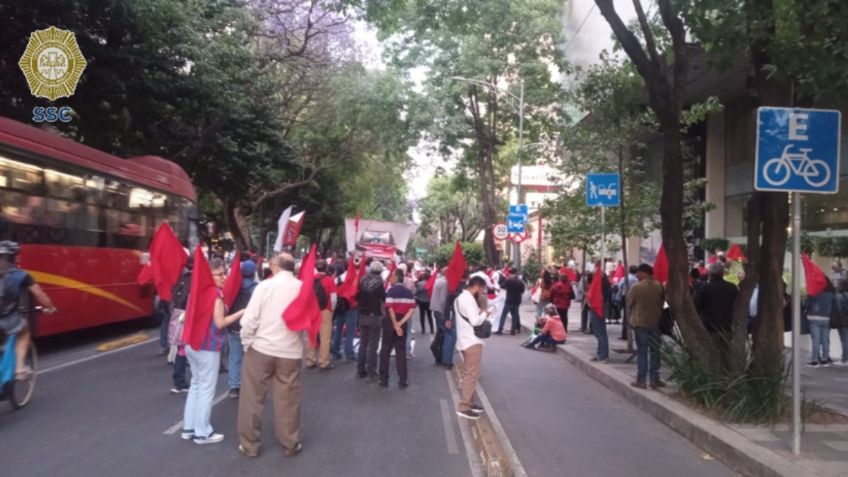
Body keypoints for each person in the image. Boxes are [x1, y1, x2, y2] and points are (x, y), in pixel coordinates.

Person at [237, 253, 304, 457]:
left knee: (252, 398)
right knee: (288, 400)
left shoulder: (265, 287)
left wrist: (246, 341)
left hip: (262, 348)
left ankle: (250, 445)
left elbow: (249, 320)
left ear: (275, 265)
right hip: (291, 351)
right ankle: (290, 443)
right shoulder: (303, 288)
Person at [182, 258, 245, 445]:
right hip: (208, 346)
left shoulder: (197, 291)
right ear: (210, 274)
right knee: (206, 389)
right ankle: (202, 433)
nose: (224, 278)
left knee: (196, 385)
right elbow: (220, 323)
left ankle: (189, 428)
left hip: (192, 344)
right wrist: (241, 312)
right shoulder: (215, 295)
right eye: (220, 274)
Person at [0, 241, 57, 379]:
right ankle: (20, 369)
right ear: (15, 258)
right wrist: (50, 307)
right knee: (24, 332)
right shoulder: (21, 276)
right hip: (8, 319)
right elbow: (39, 295)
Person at [453, 276, 491, 420]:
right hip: (471, 341)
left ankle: (469, 403)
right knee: (472, 374)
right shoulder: (468, 300)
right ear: (476, 286)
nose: (481, 292)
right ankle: (463, 406)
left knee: (471, 373)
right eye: (481, 289)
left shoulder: (460, 298)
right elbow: (475, 321)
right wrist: (485, 313)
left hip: (465, 339)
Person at [627, 264, 665, 389]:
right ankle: (654, 379)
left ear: (645, 273)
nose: (637, 275)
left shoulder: (636, 287)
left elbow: (629, 304)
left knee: (642, 352)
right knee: (655, 352)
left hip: (640, 323)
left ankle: (641, 380)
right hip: (656, 322)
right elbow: (662, 303)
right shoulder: (659, 286)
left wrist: (630, 320)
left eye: (639, 273)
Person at [694, 262, 738, 369]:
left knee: (710, 355)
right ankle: (725, 380)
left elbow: (696, 306)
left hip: (710, 328)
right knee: (725, 356)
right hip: (727, 327)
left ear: (709, 273)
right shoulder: (732, 288)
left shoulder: (705, 289)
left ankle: (712, 379)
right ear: (723, 273)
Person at [379, 269, 416, 388]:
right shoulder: (408, 292)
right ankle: (402, 380)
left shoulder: (390, 291)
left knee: (385, 350)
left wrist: (395, 324)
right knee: (401, 351)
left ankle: (384, 379)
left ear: (396, 277)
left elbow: (389, 309)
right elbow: (411, 310)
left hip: (390, 322)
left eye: (392, 276)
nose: (391, 278)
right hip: (403, 321)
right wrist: (400, 323)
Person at [227, 259, 258, 398]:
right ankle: (250, 385)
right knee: (252, 358)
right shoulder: (257, 288)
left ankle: (234, 386)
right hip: (251, 328)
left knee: (235, 356)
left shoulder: (233, 287)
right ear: (254, 273)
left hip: (233, 325)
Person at [305, 259, 338, 371]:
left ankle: (310, 360)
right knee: (325, 337)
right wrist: (332, 310)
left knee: (311, 335)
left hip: (312, 310)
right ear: (326, 267)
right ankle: (324, 362)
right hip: (325, 310)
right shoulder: (329, 280)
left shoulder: (310, 279)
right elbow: (333, 298)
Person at [356, 261, 386, 380]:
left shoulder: (362, 280)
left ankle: (360, 370)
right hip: (374, 316)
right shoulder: (379, 282)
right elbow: (383, 298)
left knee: (363, 344)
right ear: (379, 271)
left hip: (363, 315)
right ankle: (371, 371)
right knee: (373, 345)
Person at [331, 258, 358, 362]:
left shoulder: (338, 279)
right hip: (352, 307)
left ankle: (335, 352)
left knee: (338, 329)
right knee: (350, 331)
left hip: (340, 307)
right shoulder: (356, 279)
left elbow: (333, 292)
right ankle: (349, 353)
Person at [804, 278, 835, 367]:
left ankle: (814, 361)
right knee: (825, 340)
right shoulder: (830, 294)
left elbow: (806, 304)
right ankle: (825, 360)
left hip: (814, 318)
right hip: (826, 318)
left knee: (815, 340)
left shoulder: (813, 292)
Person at [430, 267, 453, 368]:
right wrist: (447, 312)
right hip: (441, 310)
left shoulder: (438, 280)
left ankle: (438, 354)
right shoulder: (445, 283)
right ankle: (442, 355)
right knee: (445, 334)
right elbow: (444, 300)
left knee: (440, 333)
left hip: (435, 309)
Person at [588, 270, 612, 363]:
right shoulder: (603, 283)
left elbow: (601, 297)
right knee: (600, 332)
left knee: (600, 333)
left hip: (599, 309)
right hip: (599, 308)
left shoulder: (602, 284)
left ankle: (603, 355)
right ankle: (601, 353)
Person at [496, 268, 525, 335]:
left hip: (509, 299)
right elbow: (522, 291)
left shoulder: (508, 280)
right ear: (516, 273)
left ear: (510, 273)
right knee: (514, 315)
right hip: (517, 300)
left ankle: (500, 329)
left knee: (504, 315)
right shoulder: (520, 281)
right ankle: (513, 330)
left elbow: (502, 286)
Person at [617, 266, 638, 340]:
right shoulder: (636, 279)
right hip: (634, 298)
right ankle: (631, 333)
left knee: (625, 316)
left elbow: (619, 286)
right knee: (633, 314)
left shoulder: (625, 278)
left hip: (625, 296)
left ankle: (624, 334)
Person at [832, 280, 848, 366]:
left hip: (843, 321)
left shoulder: (839, 297)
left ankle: (845, 359)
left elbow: (838, 310)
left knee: (844, 340)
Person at [415, 269, 434, 334]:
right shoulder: (431, 284)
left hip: (421, 301)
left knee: (422, 315)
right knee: (429, 316)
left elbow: (417, 292)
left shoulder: (419, 284)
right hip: (429, 301)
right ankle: (432, 329)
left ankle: (423, 329)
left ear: (423, 277)